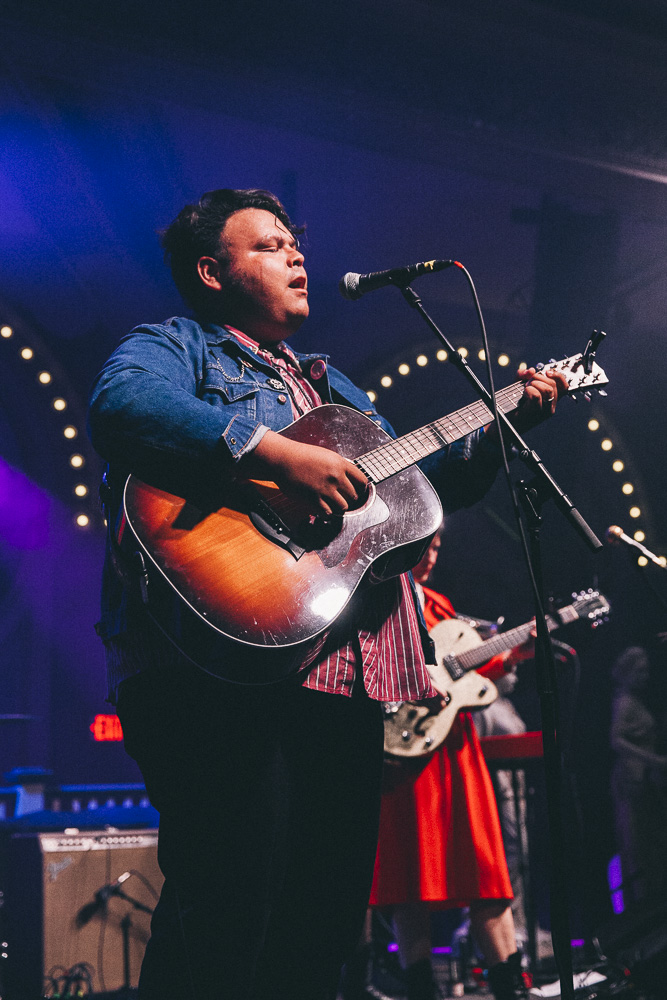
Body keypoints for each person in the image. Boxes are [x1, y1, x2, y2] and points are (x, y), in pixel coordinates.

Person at [87, 187, 566, 1000]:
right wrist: (271, 454)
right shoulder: (178, 346)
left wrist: (505, 427)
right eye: (269, 245)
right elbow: (121, 406)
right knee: (229, 906)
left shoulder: (336, 388)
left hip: (345, 675)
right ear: (210, 271)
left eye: (294, 242)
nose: (296, 254)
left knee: (324, 920)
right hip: (218, 669)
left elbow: (411, 500)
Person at [369, 533, 533, 1000]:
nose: (434, 553)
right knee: (410, 876)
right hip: (404, 748)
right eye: (427, 543)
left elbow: (466, 673)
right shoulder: (375, 592)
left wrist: (513, 655)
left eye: (440, 545)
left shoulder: (439, 603)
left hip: (453, 749)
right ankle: (421, 987)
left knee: (483, 865)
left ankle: (509, 984)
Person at [610, 645, 667, 907]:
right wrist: (653, 760)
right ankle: (641, 905)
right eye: (640, 671)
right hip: (632, 777)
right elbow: (616, 740)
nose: (645, 676)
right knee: (637, 842)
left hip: (644, 777)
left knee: (649, 839)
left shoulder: (635, 699)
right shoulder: (624, 702)